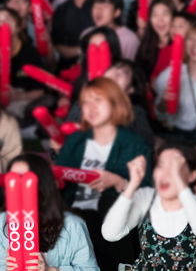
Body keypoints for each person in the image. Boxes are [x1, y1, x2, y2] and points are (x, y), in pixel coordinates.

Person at [55, 77, 152, 271]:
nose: (90, 107)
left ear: (115, 103)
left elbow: (147, 193)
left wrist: (118, 181)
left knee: (108, 209)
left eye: (97, 100)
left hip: (114, 223)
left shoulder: (134, 144)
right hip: (75, 219)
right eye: (85, 102)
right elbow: (59, 181)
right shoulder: (75, 141)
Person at [102, 143, 196, 270]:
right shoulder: (147, 198)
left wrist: (178, 180)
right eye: (161, 166)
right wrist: (132, 185)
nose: (166, 174)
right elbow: (110, 234)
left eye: (175, 167)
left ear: (192, 175)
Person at [0, 153, 99, 271]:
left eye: (24, 178)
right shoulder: (2, 222)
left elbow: (90, 269)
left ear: (42, 183)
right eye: (12, 178)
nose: (17, 184)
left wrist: (49, 269)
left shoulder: (73, 225)